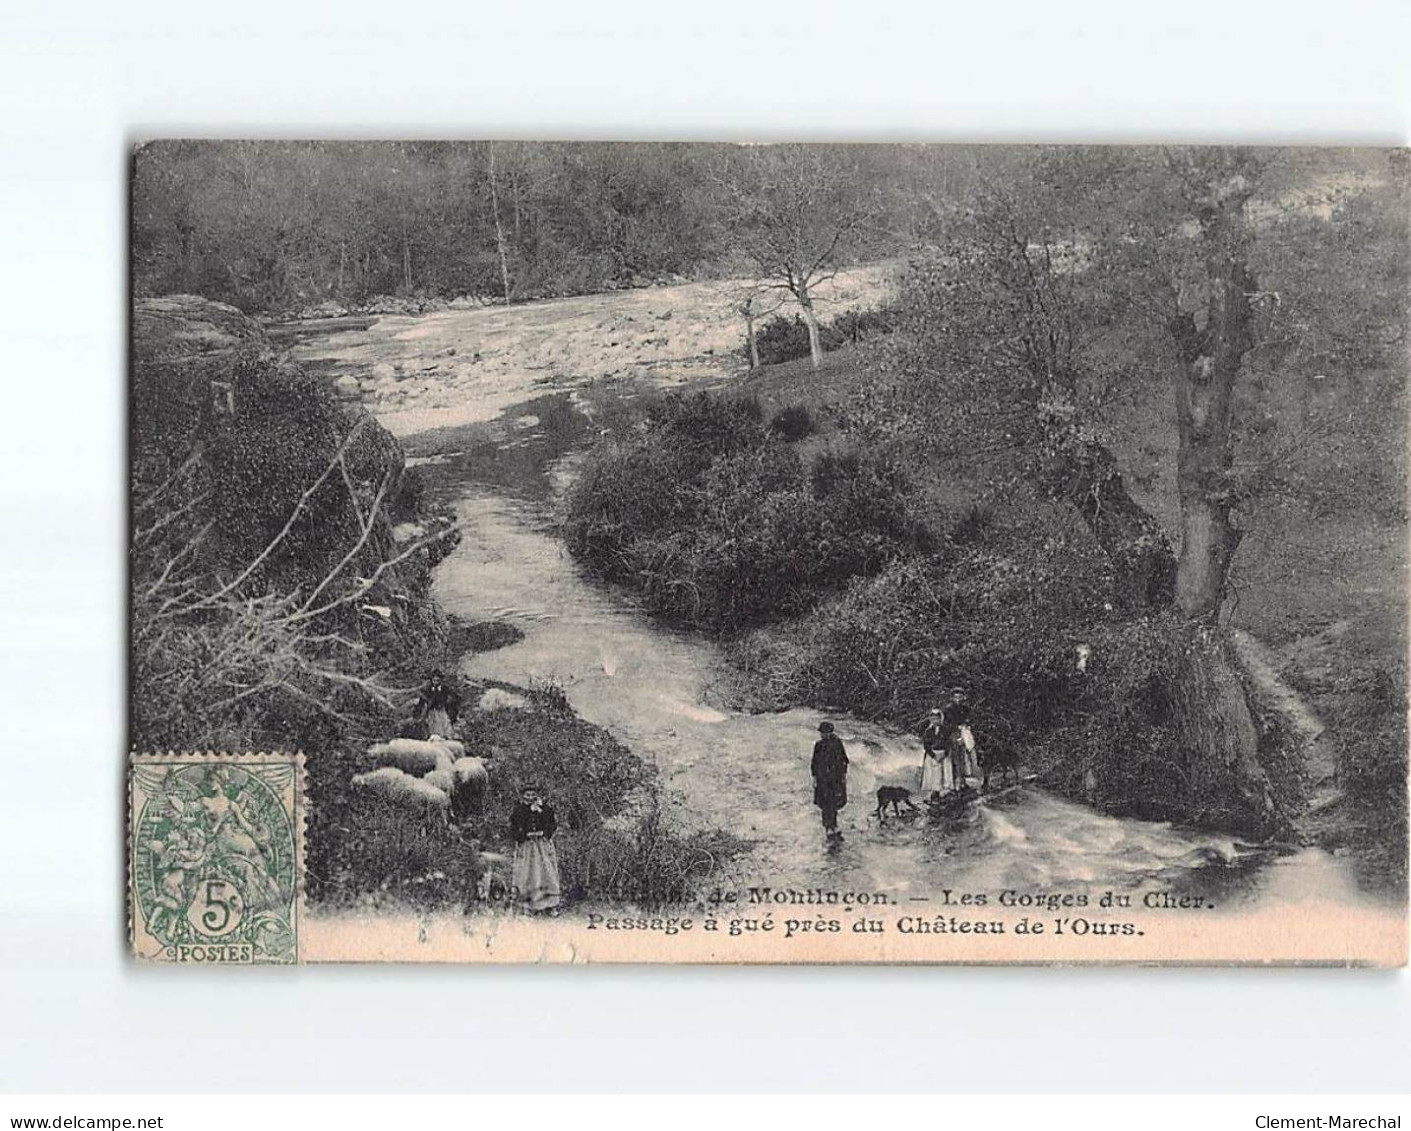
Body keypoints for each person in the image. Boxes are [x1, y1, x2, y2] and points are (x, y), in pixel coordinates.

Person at [509, 783, 562, 914]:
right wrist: (524, 835)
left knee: (547, 873)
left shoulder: (545, 809)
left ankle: (550, 905)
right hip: (527, 846)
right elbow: (513, 829)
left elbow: (552, 825)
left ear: (537, 795)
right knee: (527, 873)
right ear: (522, 796)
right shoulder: (518, 810)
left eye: (533, 795)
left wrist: (543, 830)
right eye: (527, 795)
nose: (530, 797)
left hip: (542, 846)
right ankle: (528, 905)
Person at [810, 721, 849, 842]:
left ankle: (833, 825)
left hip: (834, 779)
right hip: (823, 779)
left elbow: (844, 760)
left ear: (830, 732)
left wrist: (842, 776)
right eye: (821, 732)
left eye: (824, 732)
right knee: (825, 804)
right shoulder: (819, 745)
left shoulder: (837, 744)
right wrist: (815, 777)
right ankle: (828, 827)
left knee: (832, 803)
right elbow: (814, 762)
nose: (822, 735)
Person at [414, 670, 461, 740]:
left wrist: (447, 702)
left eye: (438, 680)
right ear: (431, 680)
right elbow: (422, 700)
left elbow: (455, 697)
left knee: (444, 722)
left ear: (440, 680)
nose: (436, 682)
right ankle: (433, 737)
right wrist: (419, 709)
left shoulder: (445, 689)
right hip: (431, 711)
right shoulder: (428, 689)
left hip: (442, 710)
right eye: (434, 680)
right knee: (431, 724)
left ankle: (446, 737)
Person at [919, 706, 952, 798]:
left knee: (945, 773)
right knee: (933, 773)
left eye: (937, 719)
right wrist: (933, 755)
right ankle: (934, 792)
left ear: (941, 719)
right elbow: (926, 745)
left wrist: (945, 753)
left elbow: (949, 742)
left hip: (943, 754)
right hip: (933, 755)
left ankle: (944, 792)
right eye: (933, 719)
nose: (935, 721)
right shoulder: (928, 731)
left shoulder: (946, 730)